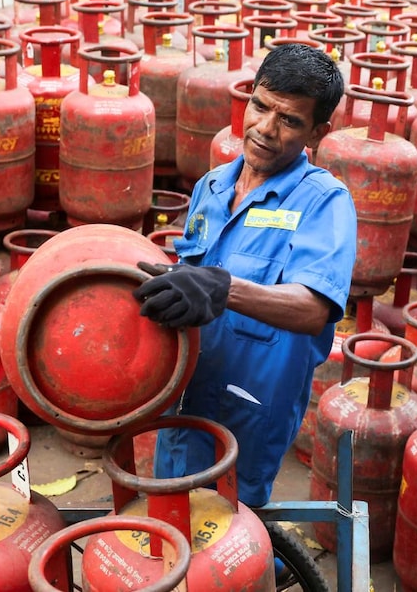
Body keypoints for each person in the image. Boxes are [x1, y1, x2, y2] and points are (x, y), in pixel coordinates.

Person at [133, 43, 357, 508]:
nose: (265, 129)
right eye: (260, 106)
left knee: (230, 531)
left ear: (317, 132)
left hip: (249, 408)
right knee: (169, 510)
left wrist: (223, 288)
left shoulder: (324, 202)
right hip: (183, 394)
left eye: (289, 120)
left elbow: (313, 309)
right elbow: (187, 279)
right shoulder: (211, 186)